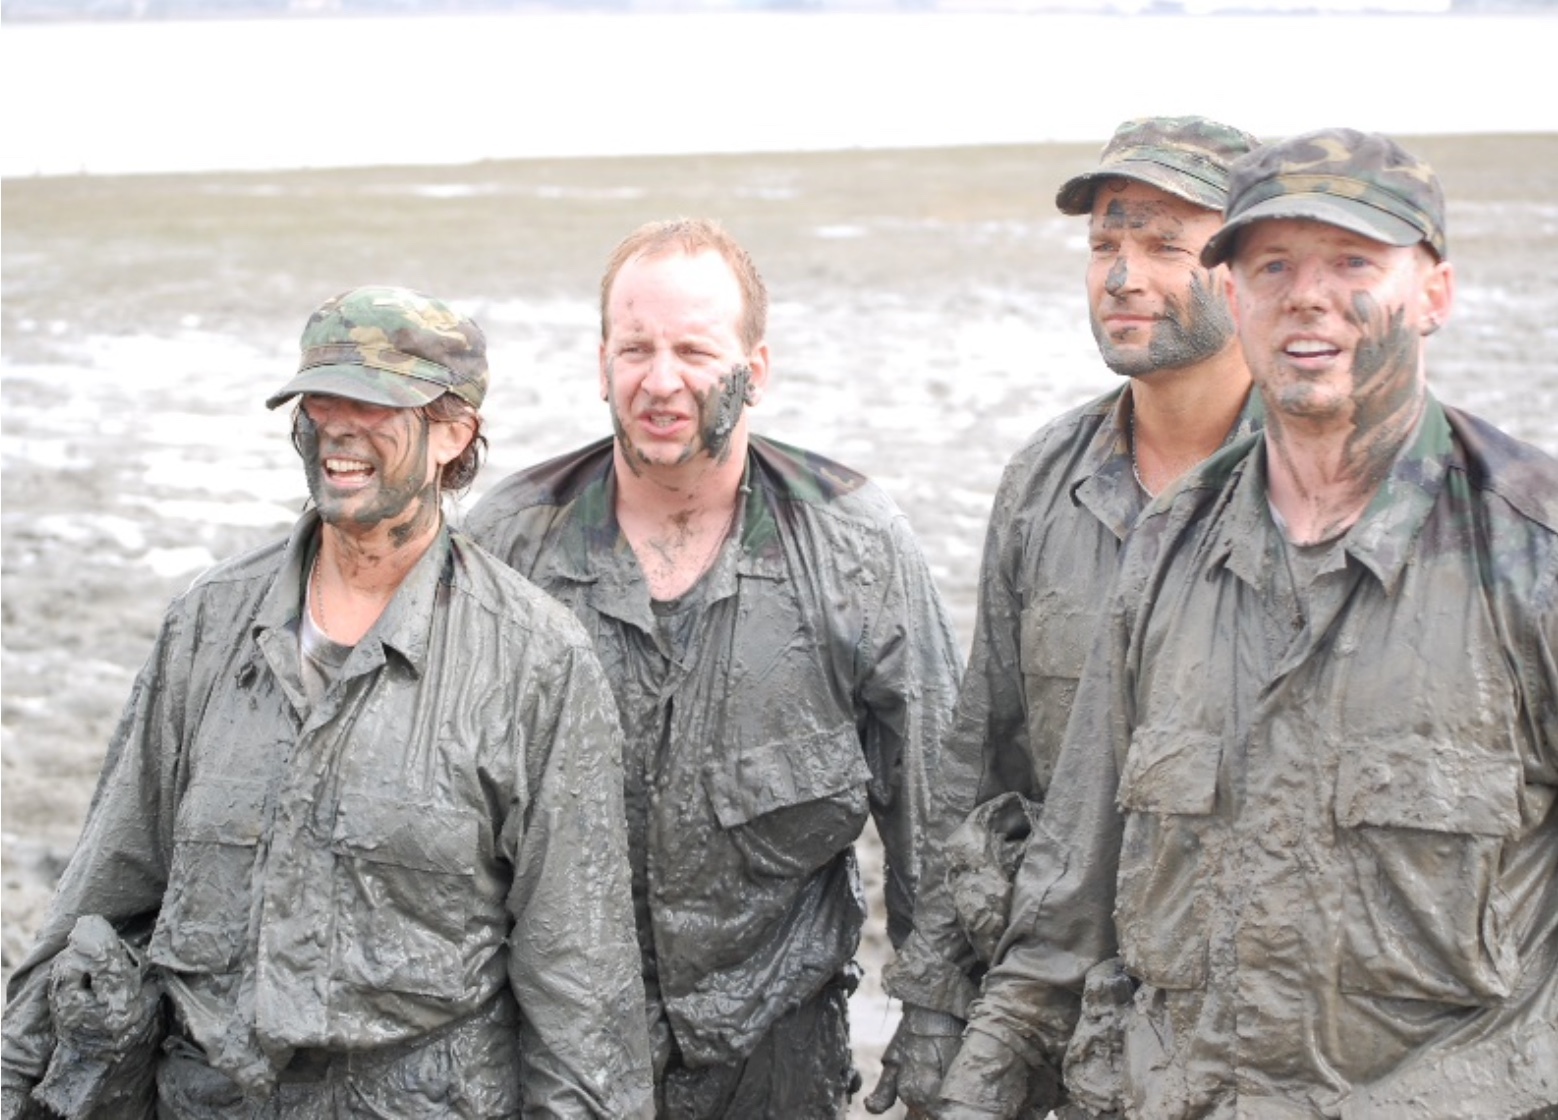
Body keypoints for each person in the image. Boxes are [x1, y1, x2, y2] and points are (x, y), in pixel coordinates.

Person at [936, 129, 1558, 1119]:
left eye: (1353, 261)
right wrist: (970, 1082)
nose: (1306, 295)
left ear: (1433, 293)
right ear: (1236, 299)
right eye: (1272, 265)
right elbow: (1069, 888)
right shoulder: (1168, 548)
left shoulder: (1530, 551)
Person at [1, 286, 654, 1119]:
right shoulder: (209, 625)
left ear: (454, 431)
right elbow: (105, 890)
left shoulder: (536, 662)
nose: (338, 426)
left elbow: (581, 995)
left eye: (375, 402)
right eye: (320, 400)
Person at [464, 218, 965, 1119]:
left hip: (777, 1053)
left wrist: (935, 1025)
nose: (662, 382)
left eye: (695, 350)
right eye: (636, 349)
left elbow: (932, 807)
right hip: (555, 1060)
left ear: (755, 371)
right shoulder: (508, 545)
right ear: (601, 362)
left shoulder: (855, 546)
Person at [873, 115, 1263, 1117]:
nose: (1122, 275)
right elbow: (980, 757)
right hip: (1058, 1005)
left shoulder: (1305, 486)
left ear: (1244, 269)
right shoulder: (1046, 480)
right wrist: (931, 1003)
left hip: (1247, 1026)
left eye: (1163, 245)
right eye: (1104, 246)